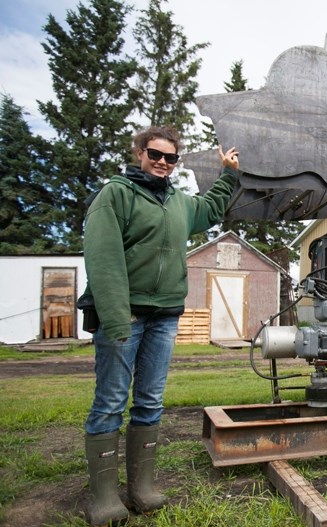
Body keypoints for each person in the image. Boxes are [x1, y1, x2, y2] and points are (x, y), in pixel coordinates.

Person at [78, 126, 239, 525]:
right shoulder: (114, 195)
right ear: (139, 152)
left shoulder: (179, 203)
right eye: (155, 154)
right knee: (111, 403)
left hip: (164, 317)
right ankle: (103, 498)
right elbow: (103, 260)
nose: (163, 163)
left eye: (171, 158)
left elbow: (210, 209)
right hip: (126, 316)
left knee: (149, 402)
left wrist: (228, 174)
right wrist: (115, 318)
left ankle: (141, 488)